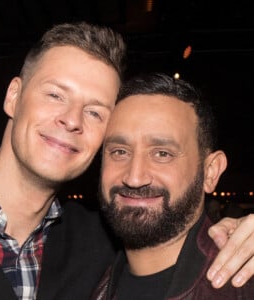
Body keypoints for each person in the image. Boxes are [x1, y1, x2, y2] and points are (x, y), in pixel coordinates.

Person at [0, 21, 253, 300]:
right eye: (55, 95)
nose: (72, 120)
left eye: (95, 112)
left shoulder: (100, 240)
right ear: (13, 97)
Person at [92, 73, 254, 299]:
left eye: (162, 154)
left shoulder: (243, 284)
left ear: (210, 172)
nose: (134, 177)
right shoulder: (85, 274)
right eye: (120, 152)